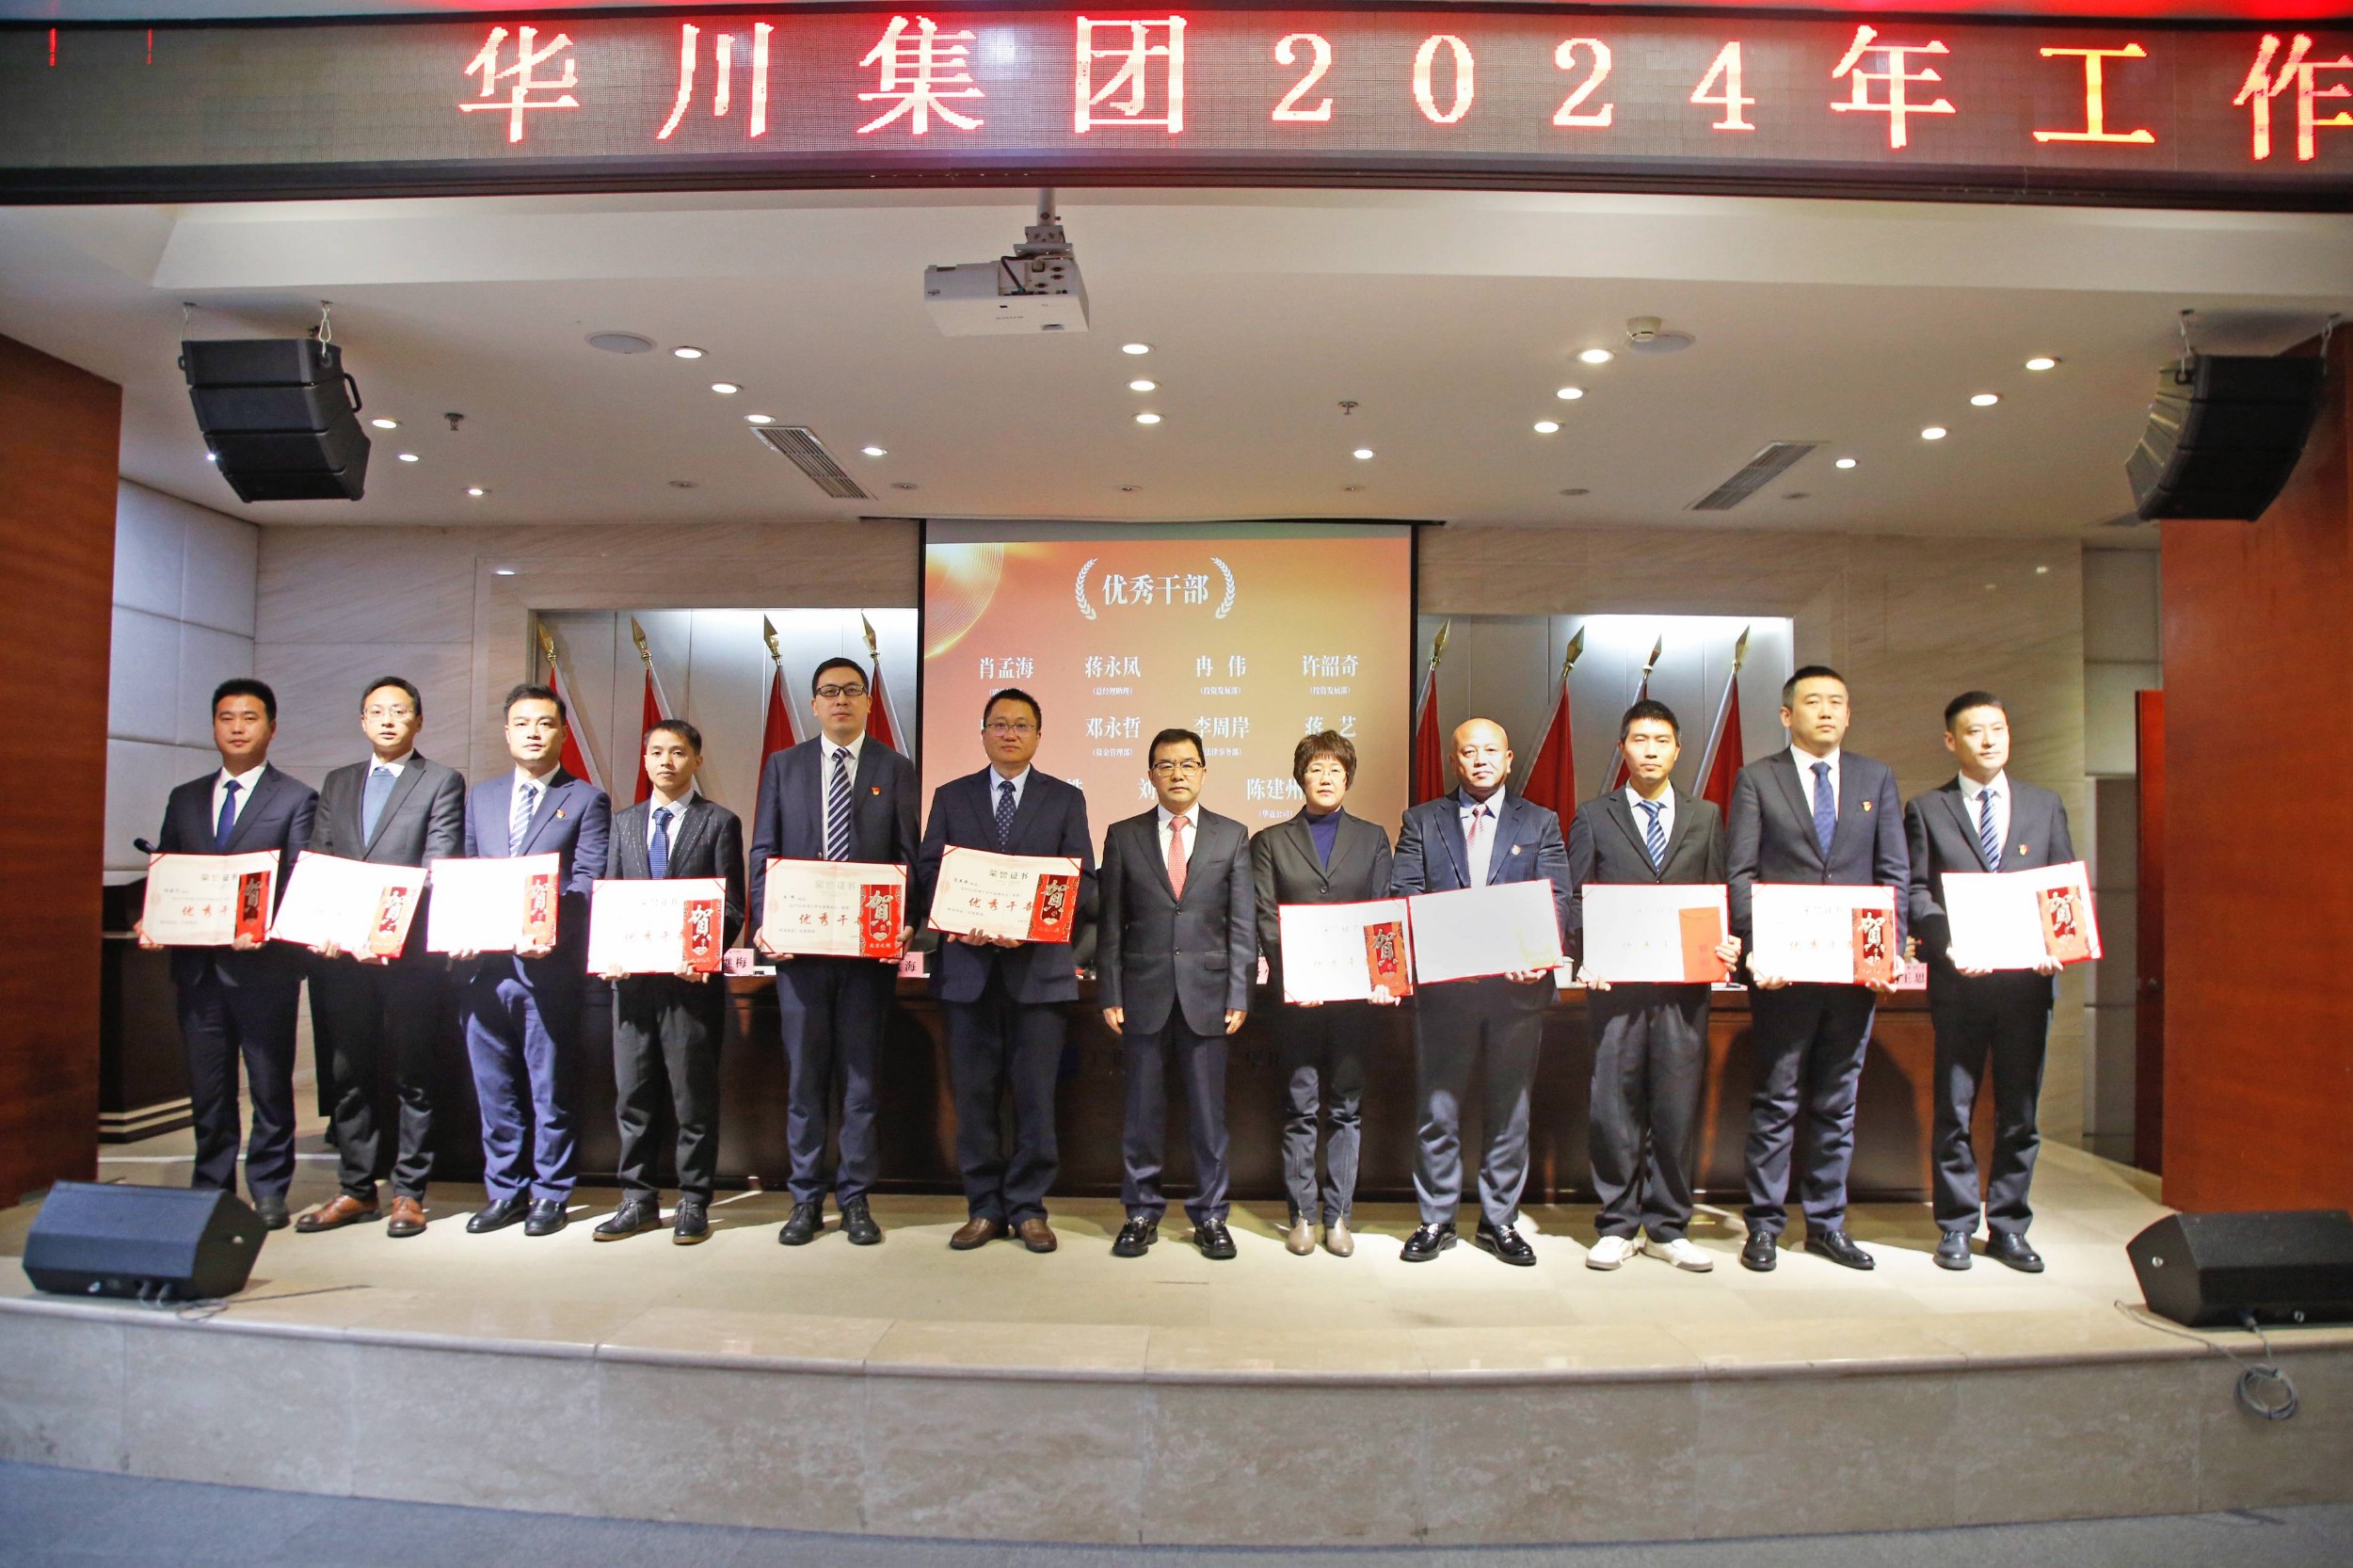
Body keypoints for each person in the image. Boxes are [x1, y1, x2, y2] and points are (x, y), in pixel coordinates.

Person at [1727, 664, 1908, 1273]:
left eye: (1837, 702)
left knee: (1838, 1100)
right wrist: (1756, 946)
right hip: (1783, 973)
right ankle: (1764, 1224)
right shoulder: (1758, 779)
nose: (1826, 711)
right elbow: (1742, 873)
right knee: (1775, 1099)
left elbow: (1893, 873)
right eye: (1813, 702)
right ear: (1787, 715)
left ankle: (1827, 1224)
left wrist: (1889, 949)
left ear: (1849, 715)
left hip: (1854, 973)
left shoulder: (1876, 778)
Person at [912, 688, 1095, 1254]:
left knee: (1035, 1099)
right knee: (974, 1099)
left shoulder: (1064, 799)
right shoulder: (952, 796)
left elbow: (1082, 883)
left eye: (1021, 725)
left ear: (1038, 735)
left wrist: (1032, 924)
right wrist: (956, 918)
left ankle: (1029, 1208)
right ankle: (984, 1208)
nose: (1009, 733)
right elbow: (928, 874)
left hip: (1038, 974)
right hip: (968, 973)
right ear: (983, 733)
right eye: (999, 724)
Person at [747, 656, 919, 1248]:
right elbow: (764, 849)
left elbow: (906, 856)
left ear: (869, 701)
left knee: (860, 1082)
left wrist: (905, 922)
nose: (840, 699)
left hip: (867, 956)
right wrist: (766, 922)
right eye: (829, 691)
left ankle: (855, 1198)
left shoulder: (895, 768)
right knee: (804, 1081)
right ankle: (804, 1199)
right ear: (814, 704)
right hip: (800, 954)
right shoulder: (784, 765)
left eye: (851, 690)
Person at [1565, 700, 1740, 1272]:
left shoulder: (1706, 816)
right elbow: (1575, 899)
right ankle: (1617, 1224)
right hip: (1615, 989)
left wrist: (1727, 943)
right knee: (1613, 1107)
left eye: (1661, 741)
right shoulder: (1594, 815)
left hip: (1683, 990)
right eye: (1639, 740)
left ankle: (1668, 1227)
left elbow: (1717, 893)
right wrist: (1585, 957)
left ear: (1677, 749)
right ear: (1623, 748)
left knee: (1675, 1106)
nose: (1650, 750)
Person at [1389, 717, 1572, 1266]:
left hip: (1517, 995)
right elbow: (1404, 894)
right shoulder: (1421, 820)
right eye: (1469, 752)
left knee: (1509, 1110)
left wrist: (1536, 954)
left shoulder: (1540, 821)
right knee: (1438, 1109)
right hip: (1446, 994)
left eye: (1491, 750)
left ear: (1509, 759)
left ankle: (1499, 1221)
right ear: (1454, 761)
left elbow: (1557, 898)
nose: (1480, 760)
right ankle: (1436, 1219)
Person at [1905, 692, 2075, 1273]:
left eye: (1997, 729)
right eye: (1975, 731)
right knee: (1955, 1109)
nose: (1988, 741)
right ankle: (1955, 1225)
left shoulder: (2044, 805)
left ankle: (2009, 1226)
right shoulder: (1927, 808)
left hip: (2028, 985)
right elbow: (1915, 891)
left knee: (2020, 1111)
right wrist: (1946, 942)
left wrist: (2059, 945)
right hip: (1961, 983)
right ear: (1951, 741)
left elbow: (2062, 888)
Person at [137, 679, 316, 1230]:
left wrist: (265, 927)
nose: (237, 727)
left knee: (269, 1084)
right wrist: (154, 917)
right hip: (198, 969)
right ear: (214, 726)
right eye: (226, 717)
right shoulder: (185, 797)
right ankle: (210, 1186)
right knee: (208, 1087)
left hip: (264, 967)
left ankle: (269, 1188)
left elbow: (299, 880)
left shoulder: (295, 798)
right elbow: (170, 870)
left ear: (272, 728)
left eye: (249, 717)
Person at [295, 677, 465, 1239]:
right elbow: (320, 859)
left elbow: (439, 865)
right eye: (377, 712)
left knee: (414, 1074)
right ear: (363, 721)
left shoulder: (441, 780)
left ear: (419, 721)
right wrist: (323, 926)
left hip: (408, 956)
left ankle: (409, 1192)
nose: (388, 720)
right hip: (343, 958)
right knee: (349, 1074)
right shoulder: (338, 781)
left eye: (400, 711)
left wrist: (383, 931)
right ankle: (356, 1188)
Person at [454, 683, 611, 1238]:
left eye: (545, 723)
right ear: (506, 732)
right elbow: (465, 871)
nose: (533, 733)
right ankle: (505, 1191)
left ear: (563, 732)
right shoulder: (482, 797)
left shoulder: (586, 799)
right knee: (494, 1089)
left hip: (546, 967)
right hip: (482, 968)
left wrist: (547, 926)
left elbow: (588, 880)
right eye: (522, 723)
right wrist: (460, 924)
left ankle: (550, 1192)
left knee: (550, 1088)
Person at [1098, 728, 1254, 1260]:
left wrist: (1239, 992)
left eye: (1188, 764)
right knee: (1141, 1114)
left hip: (1210, 996)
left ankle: (1211, 1215)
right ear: (1151, 775)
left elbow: (1241, 925)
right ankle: (1141, 1211)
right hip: (1141, 993)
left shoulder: (1232, 836)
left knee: (1209, 1117)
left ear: (1204, 771)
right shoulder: (1123, 835)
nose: (1177, 774)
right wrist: (1110, 990)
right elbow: (1111, 923)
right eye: (1165, 765)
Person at [594, 719, 744, 1246]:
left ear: (696, 761)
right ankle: (636, 1200)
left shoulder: (718, 822)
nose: (666, 761)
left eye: (677, 752)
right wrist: (609, 949)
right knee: (633, 1097)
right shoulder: (623, 823)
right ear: (645, 759)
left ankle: (693, 1200)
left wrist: (703, 952)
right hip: (632, 985)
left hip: (690, 985)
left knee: (692, 1100)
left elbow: (731, 905)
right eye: (656, 752)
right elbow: (610, 895)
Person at [1250, 730, 1396, 1257]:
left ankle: (1338, 1217)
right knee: (1300, 1105)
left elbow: (1382, 909)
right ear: (1300, 778)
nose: (1326, 777)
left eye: (1335, 769)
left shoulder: (1373, 837)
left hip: (1356, 1001)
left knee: (1347, 1108)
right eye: (1316, 769)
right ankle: (1301, 1216)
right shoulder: (1269, 841)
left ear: (1348, 778)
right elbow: (1265, 915)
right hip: (1298, 1000)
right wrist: (1298, 975)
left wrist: (1384, 976)